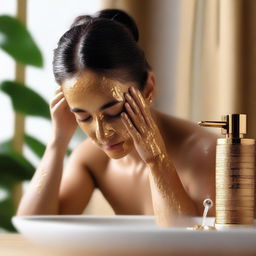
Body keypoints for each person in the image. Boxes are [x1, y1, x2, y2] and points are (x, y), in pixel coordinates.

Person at [17, 9, 217, 227]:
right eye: (83, 117)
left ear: (148, 88)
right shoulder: (93, 159)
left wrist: (156, 160)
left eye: (114, 112)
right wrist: (58, 141)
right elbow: (35, 226)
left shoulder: (207, 154)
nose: (102, 134)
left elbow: (191, 244)